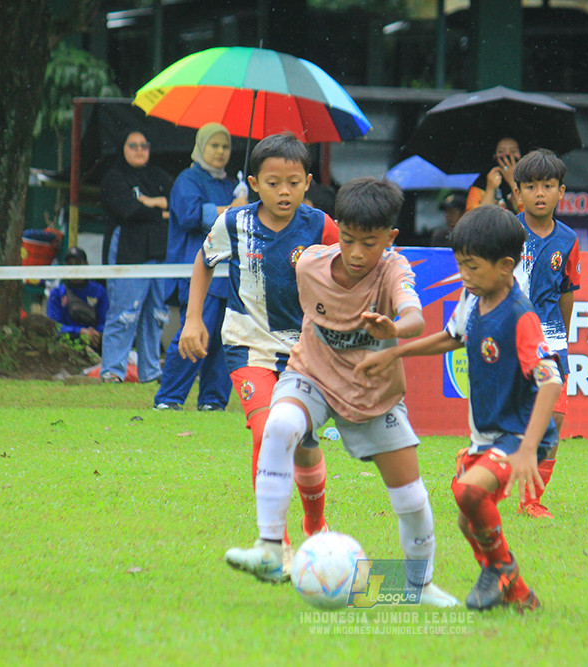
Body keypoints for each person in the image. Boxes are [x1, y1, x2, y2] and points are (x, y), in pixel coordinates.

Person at [223, 177, 460, 607]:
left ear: (389, 238)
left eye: (368, 243)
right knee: (279, 425)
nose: (354, 253)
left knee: (412, 497)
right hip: (310, 375)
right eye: (347, 239)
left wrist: (395, 329)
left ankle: (420, 586)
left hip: (371, 392)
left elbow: (414, 317)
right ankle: (271, 547)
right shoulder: (310, 263)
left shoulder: (394, 270)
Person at [356, 205, 563, 611]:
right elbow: (450, 338)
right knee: (468, 516)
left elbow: (551, 380)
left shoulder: (521, 318)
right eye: (460, 265)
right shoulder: (474, 298)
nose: (464, 275)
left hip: (519, 435)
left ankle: (500, 567)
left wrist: (527, 449)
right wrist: (393, 352)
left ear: (506, 266)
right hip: (487, 434)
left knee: (469, 492)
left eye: (471, 267)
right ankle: (519, 595)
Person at [178, 132, 337, 572]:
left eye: (292, 182)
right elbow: (204, 261)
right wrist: (193, 320)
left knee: (303, 445)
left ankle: (315, 525)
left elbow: (347, 273)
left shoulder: (322, 226)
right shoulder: (233, 223)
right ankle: (277, 546)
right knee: (268, 431)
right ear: (252, 183)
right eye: (272, 182)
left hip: (306, 353)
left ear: (307, 182)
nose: (283, 191)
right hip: (249, 344)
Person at [154, 123, 247, 411]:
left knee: (224, 340)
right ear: (201, 146)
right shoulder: (187, 179)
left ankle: (213, 401)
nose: (220, 152)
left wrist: (245, 200)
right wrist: (233, 207)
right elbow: (190, 215)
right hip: (197, 274)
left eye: (226, 147)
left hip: (227, 275)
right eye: (214, 145)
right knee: (193, 333)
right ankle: (169, 399)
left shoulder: (232, 184)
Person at [510, 149, 580, 518]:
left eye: (548, 186)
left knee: (554, 420)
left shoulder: (568, 239)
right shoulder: (506, 230)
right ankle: (473, 464)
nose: (540, 193)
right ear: (518, 193)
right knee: (509, 426)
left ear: (561, 191)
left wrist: (562, 339)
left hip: (551, 342)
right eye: (531, 186)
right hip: (510, 339)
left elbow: (567, 291)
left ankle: (531, 501)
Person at [99, 130, 173, 383]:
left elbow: (175, 206)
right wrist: (160, 208)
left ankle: (151, 372)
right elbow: (127, 210)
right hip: (127, 253)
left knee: (155, 314)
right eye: (133, 145)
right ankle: (112, 371)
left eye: (144, 145)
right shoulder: (114, 178)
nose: (140, 150)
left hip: (158, 254)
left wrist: (147, 202)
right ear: (123, 148)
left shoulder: (160, 176)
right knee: (123, 313)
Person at [46, 246, 108, 350]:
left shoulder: (99, 291)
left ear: (86, 265)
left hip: (95, 343)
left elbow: (106, 321)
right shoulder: (57, 293)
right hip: (68, 344)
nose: (74, 269)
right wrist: (79, 332)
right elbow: (55, 325)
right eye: (70, 265)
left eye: (78, 264)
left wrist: (95, 334)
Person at [465, 137, 523, 213]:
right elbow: (475, 220)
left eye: (513, 151)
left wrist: (513, 182)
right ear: (494, 155)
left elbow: (531, 218)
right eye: (501, 151)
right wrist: (490, 188)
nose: (507, 155)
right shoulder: (481, 183)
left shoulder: (530, 181)